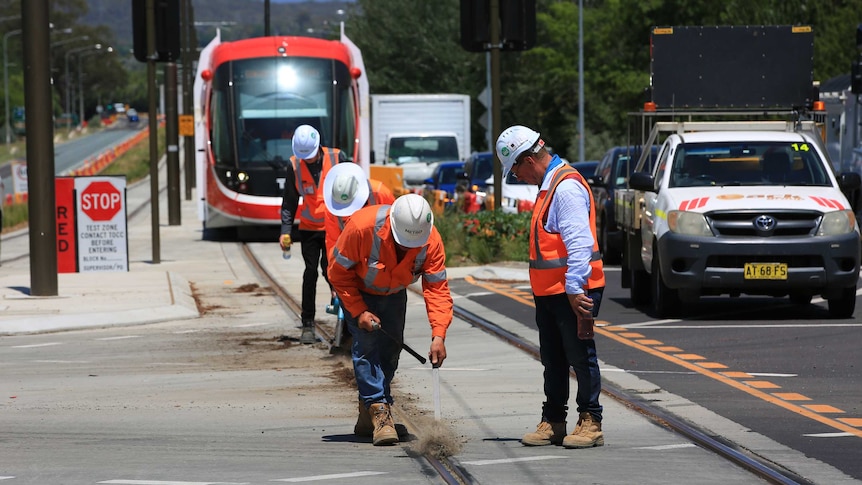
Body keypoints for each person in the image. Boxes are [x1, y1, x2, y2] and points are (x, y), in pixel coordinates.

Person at [496, 125, 606, 449]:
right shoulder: (549, 186)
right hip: (551, 293)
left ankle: (590, 419)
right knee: (554, 360)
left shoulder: (565, 187)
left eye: (515, 169)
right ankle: (554, 420)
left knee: (580, 356)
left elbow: (579, 244)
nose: (516, 176)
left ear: (528, 159)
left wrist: (574, 290)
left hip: (571, 291)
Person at [327, 193, 453, 446]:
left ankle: (368, 416)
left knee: (391, 350)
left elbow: (437, 289)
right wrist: (359, 310)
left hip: (394, 294)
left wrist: (438, 335)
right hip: (358, 291)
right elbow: (338, 273)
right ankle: (380, 411)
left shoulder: (431, 240)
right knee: (367, 348)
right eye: (403, 242)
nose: (407, 248)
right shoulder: (362, 228)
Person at [279, 124, 342, 344]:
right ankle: (307, 324)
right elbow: (289, 201)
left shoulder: (337, 158)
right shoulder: (295, 164)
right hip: (309, 229)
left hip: (335, 227)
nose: (307, 159)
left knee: (334, 272)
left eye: (311, 155)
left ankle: (347, 322)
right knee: (310, 273)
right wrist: (285, 231)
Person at [322, 162, 396, 258]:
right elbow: (333, 245)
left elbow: (396, 227)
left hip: (383, 254)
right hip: (353, 255)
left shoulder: (380, 193)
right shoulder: (331, 210)